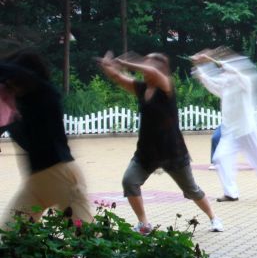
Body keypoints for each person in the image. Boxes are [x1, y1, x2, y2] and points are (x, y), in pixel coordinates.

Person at [98, 51, 223, 233]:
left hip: (172, 151)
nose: (144, 70)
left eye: (148, 66)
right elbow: (118, 78)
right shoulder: (141, 88)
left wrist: (129, 63)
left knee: (191, 190)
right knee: (129, 181)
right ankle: (144, 223)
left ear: (160, 69)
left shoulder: (166, 86)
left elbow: (153, 73)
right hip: (147, 152)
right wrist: (108, 67)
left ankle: (214, 218)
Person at [0, 50, 94, 225]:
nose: (10, 86)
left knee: (85, 237)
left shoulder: (45, 95)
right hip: (35, 182)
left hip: (62, 176)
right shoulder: (15, 106)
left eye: (12, 82)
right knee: (11, 234)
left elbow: (21, 75)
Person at [191, 50, 257, 201]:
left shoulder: (245, 81)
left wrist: (211, 59)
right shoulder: (225, 83)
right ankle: (230, 193)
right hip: (230, 130)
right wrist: (200, 66)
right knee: (220, 157)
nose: (224, 72)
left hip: (248, 128)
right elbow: (210, 82)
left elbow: (235, 71)